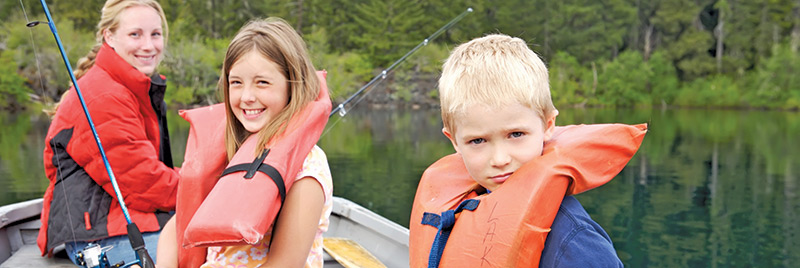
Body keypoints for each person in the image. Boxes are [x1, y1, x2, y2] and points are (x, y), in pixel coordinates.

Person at [409, 34, 626, 267]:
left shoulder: (575, 243)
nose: (500, 159)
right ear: (454, 141)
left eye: (516, 135)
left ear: (547, 125)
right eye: (478, 141)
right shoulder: (467, 204)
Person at [156, 18, 333, 268]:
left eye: (262, 82)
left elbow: (285, 264)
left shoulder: (308, 168)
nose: (247, 97)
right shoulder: (231, 150)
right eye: (236, 83)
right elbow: (176, 229)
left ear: (292, 86)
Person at [38, 0, 177, 266]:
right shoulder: (103, 95)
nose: (148, 45)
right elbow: (145, 185)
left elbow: (146, 173)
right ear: (109, 36)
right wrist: (207, 188)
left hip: (128, 222)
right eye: (135, 34)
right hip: (99, 238)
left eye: (155, 34)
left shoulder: (130, 88)